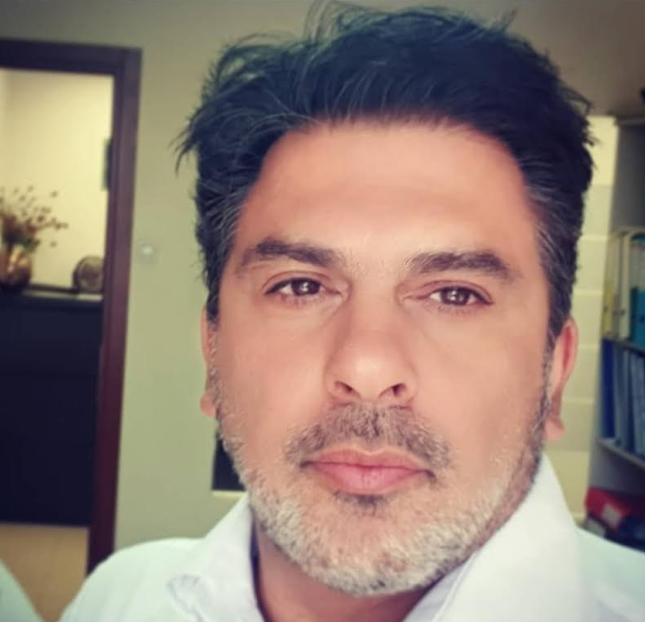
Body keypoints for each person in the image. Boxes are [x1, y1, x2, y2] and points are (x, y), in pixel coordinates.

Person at [61, 3, 645, 621]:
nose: (367, 367)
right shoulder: (117, 598)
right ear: (213, 354)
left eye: (455, 294)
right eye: (299, 286)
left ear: (554, 372)